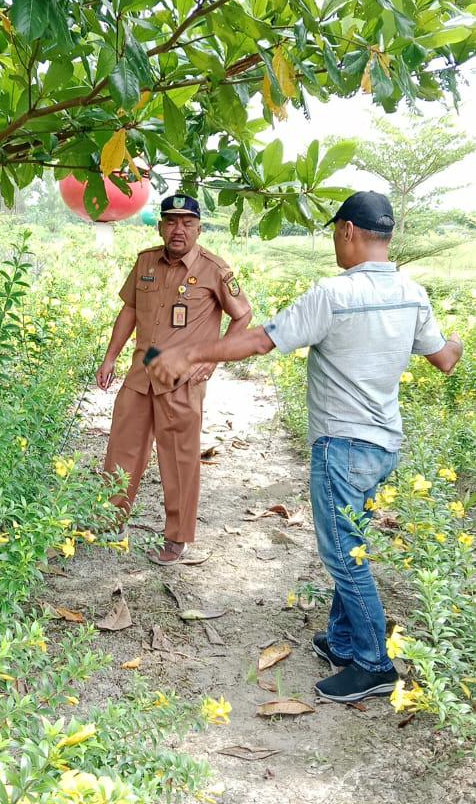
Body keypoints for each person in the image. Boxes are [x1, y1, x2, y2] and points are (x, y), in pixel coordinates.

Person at [148, 191, 463, 701]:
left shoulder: (333, 295)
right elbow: (443, 359)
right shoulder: (414, 293)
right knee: (353, 539)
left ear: (347, 231)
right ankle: (342, 640)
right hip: (384, 446)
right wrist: (458, 344)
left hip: (342, 445)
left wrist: (188, 351)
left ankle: (373, 663)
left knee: (343, 556)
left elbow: (259, 340)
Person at [96, 194, 252, 565]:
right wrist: (110, 357)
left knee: (179, 460)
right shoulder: (146, 261)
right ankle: (112, 521)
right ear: (160, 225)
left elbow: (242, 315)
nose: (178, 229)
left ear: (198, 228)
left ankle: (177, 537)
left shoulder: (214, 269)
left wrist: (213, 360)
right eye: (171, 221)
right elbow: (130, 309)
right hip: (142, 372)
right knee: (121, 450)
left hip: (182, 379)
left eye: (187, 222)